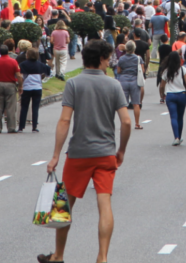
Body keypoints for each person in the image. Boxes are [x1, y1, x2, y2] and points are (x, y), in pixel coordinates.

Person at [40, 40, 132, 263]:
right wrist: (121, 150)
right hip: (106, 153)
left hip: (79, 153)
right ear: (101, 59)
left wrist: (55, 155)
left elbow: (64, 120)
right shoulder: (113, 85)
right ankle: (102, 257)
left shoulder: (73, 84)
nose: (110, 62)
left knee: (64, 207)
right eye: (108, 57)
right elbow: (126, 122)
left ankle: (58, 255)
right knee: (104, 203)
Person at [160, 51, 186, 145]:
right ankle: (180, 136)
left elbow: (162, 85)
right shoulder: (182, 69)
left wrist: (162, 94)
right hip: (181, 95)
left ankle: (176, 137)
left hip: (170, 95)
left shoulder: (166, 71)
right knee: (180, 117)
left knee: (173, 116)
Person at [0, 43, 22, 134]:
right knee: (11, 107)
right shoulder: (13, 61)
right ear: (8, 51)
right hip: (10, 84)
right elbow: (18, 75)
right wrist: (20, 86)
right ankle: (11, 127)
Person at [19, 47, 50, 132]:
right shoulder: (41, 65)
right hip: (37, 87)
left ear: (27, 55)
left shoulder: (23, 64)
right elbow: (48, 72)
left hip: (26, 87)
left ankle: (21, 126)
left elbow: (20, 75)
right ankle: (34, 126)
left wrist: (20, 86)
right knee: (35, 107)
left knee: (24, 107)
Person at [115, 40, 143, 130]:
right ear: (134, 48)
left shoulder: (122, 58)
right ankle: (137, 123)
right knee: (136, 104)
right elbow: (142, 70)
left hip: (124, 80)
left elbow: (118, 71)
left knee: (124, 104)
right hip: (135, 80)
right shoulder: (138, 58)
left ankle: (124, 122)